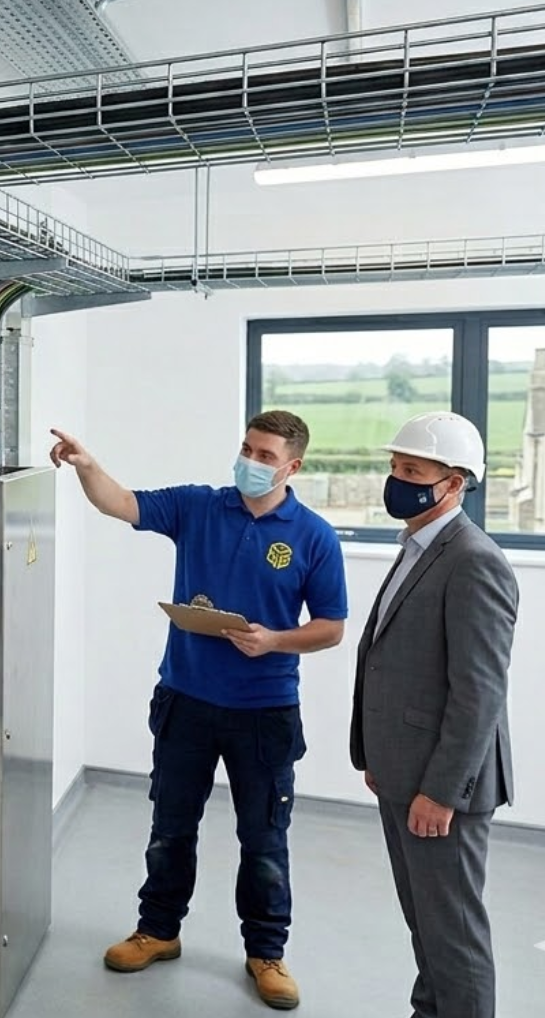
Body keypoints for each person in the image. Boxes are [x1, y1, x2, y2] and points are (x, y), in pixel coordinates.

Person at [50, 411, 347, 1011]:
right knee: (170, 827)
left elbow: (331, 627)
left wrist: (274, 640)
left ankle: (266, 952)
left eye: (265, 456)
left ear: (292, 467)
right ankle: (158, 931)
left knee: (263, 839)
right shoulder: (198, 507)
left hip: (264, 711)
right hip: (185, 700)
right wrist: (87, 466)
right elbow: (120, 503)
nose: (250, 462)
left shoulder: (314, 536)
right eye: (247, 449)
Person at [351, 411, 517, 1018]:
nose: (398, 480)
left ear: (454, 483)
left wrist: (441, 792)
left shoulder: (474, 560)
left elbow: (479, 692)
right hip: (404, 772)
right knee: (425, 922)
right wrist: (376, 755)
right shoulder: (418, 546)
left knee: (455, 935)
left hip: (440, 788)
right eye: (395, 467)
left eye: (413, 471)